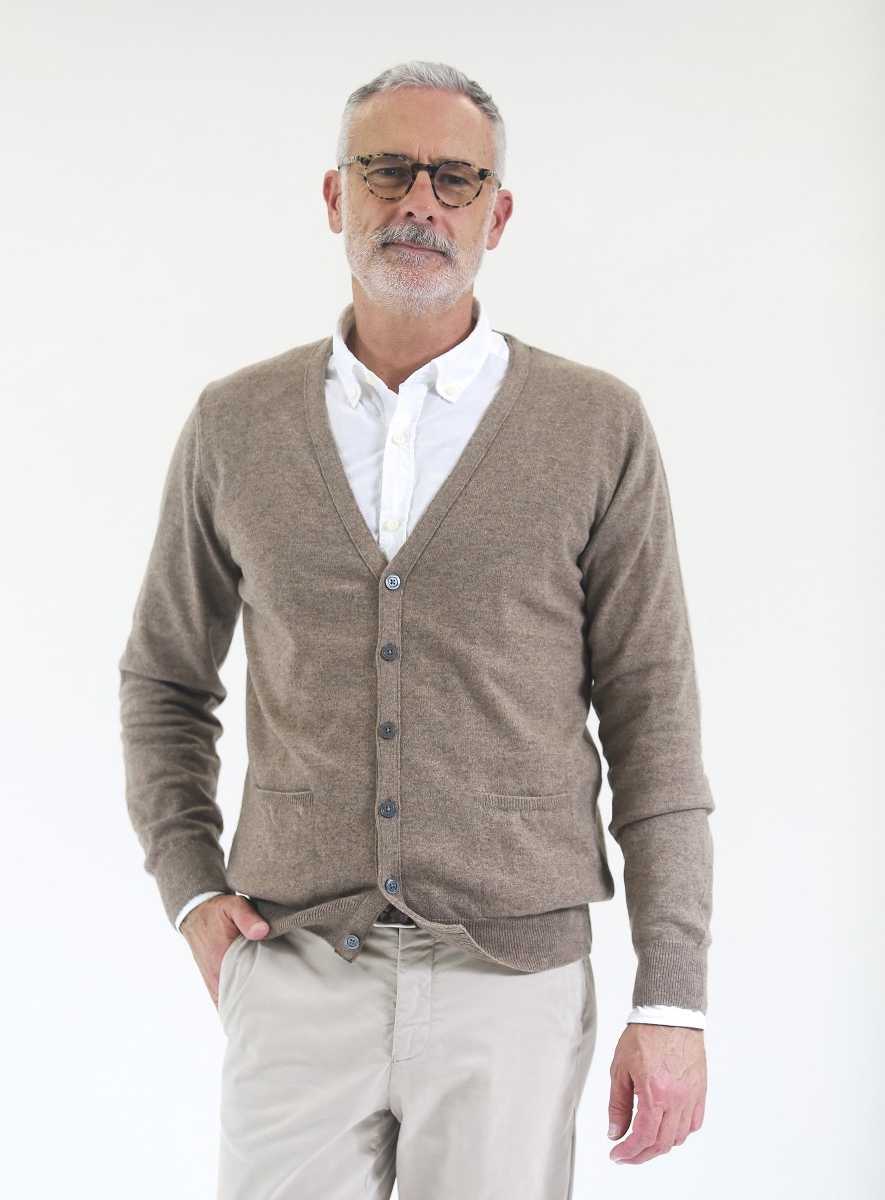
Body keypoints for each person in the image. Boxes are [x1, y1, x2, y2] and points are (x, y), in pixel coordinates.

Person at [120, 61, 713, 1200]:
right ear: (334, 195)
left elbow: (653, 715)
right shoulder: (236, 423)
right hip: (293, 962)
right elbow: (163, 679)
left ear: (498, 212)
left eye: (454, 178)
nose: (419, 204)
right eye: (386, 171)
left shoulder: (596, 426)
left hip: (514, 979)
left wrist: (672, 998)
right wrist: (190, 888)